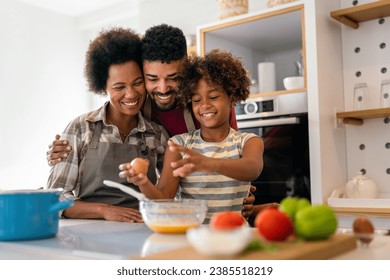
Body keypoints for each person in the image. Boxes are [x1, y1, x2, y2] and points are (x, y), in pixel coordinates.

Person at [47, 24, 256, 218]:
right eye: (152, 79)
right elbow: (53, 199)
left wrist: (242, 196)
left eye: (173, 77)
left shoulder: (181, 122)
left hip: (150, 223)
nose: (162, 88)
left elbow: (232, 160)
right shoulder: (85, 127)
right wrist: (105, 210)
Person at [119, 49, 264, 223]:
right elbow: (164, 198)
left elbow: (252, 169)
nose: (205, 105)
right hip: (192, 236)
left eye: (213, 96)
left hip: (234, 236)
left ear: (231, 98)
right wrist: (142, 182)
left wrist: (207, 163)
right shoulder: (179, 144)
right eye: (196, 100)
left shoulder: (248, 141)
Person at [47, 27, 168, 223]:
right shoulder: (81, 128)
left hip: (140, 230)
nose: (131, 94)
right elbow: (55, 199)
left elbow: (167, 197)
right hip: (88, 234)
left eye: (137, 83)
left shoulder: (157, 135)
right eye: (119, 87)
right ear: (103, 87)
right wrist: (104, 210)